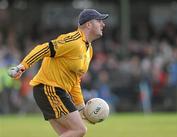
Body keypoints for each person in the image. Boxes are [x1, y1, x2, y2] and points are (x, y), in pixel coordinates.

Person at [8, 9, 108, 137]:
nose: (103, 24)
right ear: (88, 24)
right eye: (99, 21)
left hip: (55, 91)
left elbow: (75, 81)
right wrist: (21, 67)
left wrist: (81, 108)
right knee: (80, 130)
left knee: (70, 133)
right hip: (49, 88)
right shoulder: (73, 40)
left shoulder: (89, 50)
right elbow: (43, 49)